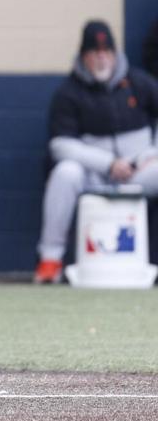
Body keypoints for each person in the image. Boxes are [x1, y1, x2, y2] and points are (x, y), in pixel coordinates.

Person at [34, 20, 158, 284]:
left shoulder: (141, 83)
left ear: (115, 54)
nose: (101, 58)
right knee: (65, 173)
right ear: (83, 56)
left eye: (106, 52)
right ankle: (50, 260)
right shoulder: (69, 93)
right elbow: (60, 144)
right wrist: (108, 163)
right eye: (94, 52)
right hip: (96, 175)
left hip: (140, 171)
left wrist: (148, 156)